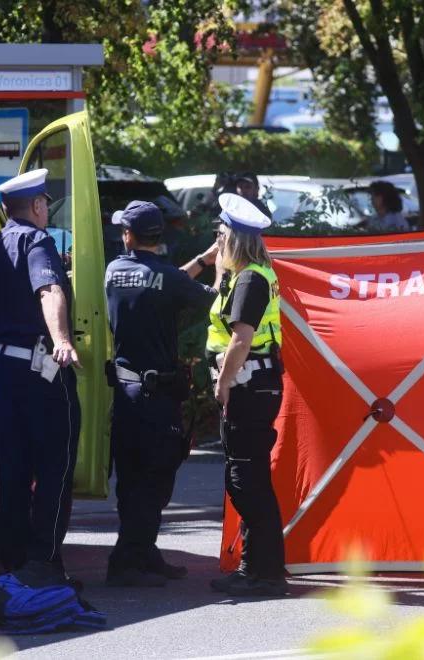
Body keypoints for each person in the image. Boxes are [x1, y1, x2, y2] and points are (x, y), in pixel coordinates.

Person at [0, 168, 83, 585]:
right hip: (40, 372)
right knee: (55, 467)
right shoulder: (38, 241)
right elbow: (49, 290)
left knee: (12, 470)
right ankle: (44, 565)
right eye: (46, 203)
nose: (47, 209)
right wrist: (63, 339)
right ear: (35, 206)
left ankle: (14, 564)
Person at [103, 200, 221, 587]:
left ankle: (143, 553)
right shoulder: (168, 279)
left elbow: (165, 281)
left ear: (128, 235)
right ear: (159, 236)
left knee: (132, 477)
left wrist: (200, 261)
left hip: (125, 391)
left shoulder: (114, 271)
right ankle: (128, 561)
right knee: (155, 479)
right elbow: (208, 298)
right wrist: (218, 266)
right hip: (158, 397)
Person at [206, 193, 288, 598]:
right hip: (252, 387)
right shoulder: (247, 275)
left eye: (221, 235)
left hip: (248, 388)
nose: (217, 241)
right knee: (247, 478)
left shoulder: (252, 279)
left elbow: (241, 340)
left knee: (246, 480)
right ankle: (254, 566)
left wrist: (222, 384)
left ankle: (267, 572)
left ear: (235, 238)